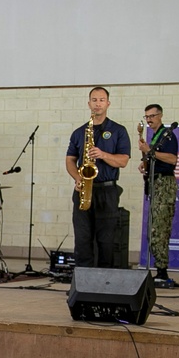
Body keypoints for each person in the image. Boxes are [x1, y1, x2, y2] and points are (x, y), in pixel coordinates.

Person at [65, 87, 131, 269]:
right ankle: (82, 280)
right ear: (89, 104)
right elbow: (70, 160)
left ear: (108, 103)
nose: (98, 103)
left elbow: (123, 161)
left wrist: (102, 155)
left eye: (102, 100)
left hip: (107, 191)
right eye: (94, 100)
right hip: (84, 189)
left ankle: (104, 282)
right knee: (82, 239)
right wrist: (78, 177)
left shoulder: (119, 130)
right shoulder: (80, 132)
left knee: (106, 240)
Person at [138, 103, 179, 288]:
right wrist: (145, 162)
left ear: (160, 116)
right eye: (147, 117)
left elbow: (172, 159)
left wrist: (150, 152)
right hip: (154, 184)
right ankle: (159, 269)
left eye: (152, 116)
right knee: (154, 229)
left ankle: (162, 272)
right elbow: (153, 157)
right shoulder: (155, 137)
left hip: (164, 184)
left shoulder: (167, 135)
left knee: (159, 230)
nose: (149, 120)